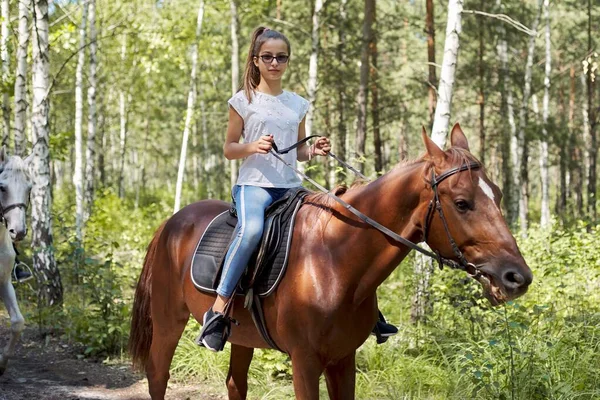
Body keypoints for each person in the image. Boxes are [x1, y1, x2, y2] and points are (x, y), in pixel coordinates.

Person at [199, 26, 397, 352]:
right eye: (268, 57)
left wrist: (313, 149)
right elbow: (229, 148)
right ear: (256, 60)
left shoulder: (297, 104)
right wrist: (253, 147)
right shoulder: (242, 101)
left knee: (338, 226)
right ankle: (219, 309)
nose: (275, 63)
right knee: (251, 232)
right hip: (255, 186)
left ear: (288, 61)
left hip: (292, 187)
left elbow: (297, 151)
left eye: (281, 57)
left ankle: (370, 313)